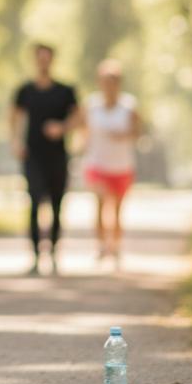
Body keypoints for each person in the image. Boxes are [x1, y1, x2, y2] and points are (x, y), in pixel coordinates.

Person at [10, 44, 78, 275]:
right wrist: (16, 142)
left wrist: (62, 127)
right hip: (33, 156)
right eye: (40, 58)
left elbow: (79, 118)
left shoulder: (65, 91)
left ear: (52, 60)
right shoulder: (25, 90)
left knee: (58, 205)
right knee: (35, 203)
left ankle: (55, 254)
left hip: (58, 156)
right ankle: (36, 257)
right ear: (35, 60)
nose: (43, 62)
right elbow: (14, 117)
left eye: (47, 58)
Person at [79, 59, 141, 267]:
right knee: (99, 203)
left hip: (121, 165)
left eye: (113, 81)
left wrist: (123, 135)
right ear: (99, 82)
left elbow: (137, 132)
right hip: (97, 163)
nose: (108, 85)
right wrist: (81, 145)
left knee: (117, 210)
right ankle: (100, 246)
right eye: (105, 81)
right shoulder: (91, 105)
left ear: (119, 83)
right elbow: (84, 129)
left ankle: (115, 246)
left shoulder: (129, 106)